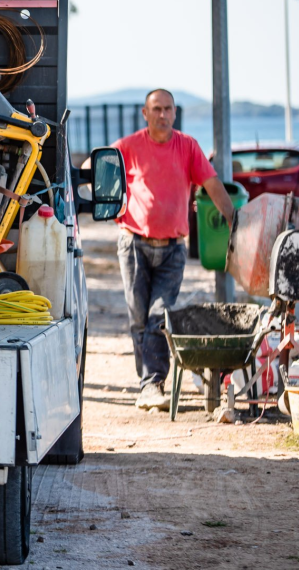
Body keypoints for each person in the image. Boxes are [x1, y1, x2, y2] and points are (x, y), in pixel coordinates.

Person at [112, 89, 235, 411]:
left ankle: (152, 385)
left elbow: (212, 185)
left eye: (168, 109)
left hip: (172, 250)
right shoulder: (128, 147)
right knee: (139, 318)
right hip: (133, 244)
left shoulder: (188, 146)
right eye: (156, 109)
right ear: (145, 113)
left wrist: (234, 220)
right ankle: (148, 385)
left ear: (175, 113)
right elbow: (95, 168)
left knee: (158, 315)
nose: (162, 115)